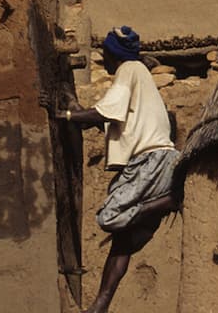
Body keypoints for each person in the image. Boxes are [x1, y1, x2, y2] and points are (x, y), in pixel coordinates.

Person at [57, 26, 180, 313]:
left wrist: (65, 115)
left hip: (148, 162)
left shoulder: (129, 69)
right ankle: (100, 306)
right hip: (161, 161)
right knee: (122, 243)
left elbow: (105, 112)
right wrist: (76, 110)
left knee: (109, 217)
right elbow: (103, 118)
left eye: (107, 56)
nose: (107, 63)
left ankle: (169, 200)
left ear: (114, 55)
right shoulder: (140, 78)